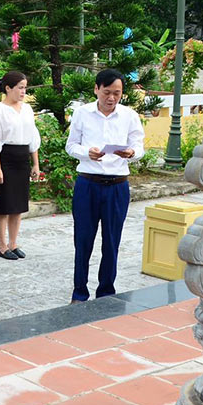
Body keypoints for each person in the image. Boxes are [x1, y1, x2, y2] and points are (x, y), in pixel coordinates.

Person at [65, 68, 144, 302]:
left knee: (112, 241)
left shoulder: (129, 116)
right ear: (96, 89)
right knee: (83, 240)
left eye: (117, 94)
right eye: (107, 92)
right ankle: (80, 292)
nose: (111, 98)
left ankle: (106, 293)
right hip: (88, 184)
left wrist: (131, 152)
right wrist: (87, 153)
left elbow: (139, 145)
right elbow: (71, 146)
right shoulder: (82, 113)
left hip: (117, 186)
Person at [0, 71, 42, 261]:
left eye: (25, 87)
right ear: (8, 88)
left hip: (22, 159)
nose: (23, 91)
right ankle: (1, 245)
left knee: (18, 204)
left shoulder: (26, 109)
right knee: (3, 205)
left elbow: (33, 138)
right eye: (20, 87)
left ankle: (13, 243)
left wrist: (35, 164)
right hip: (5, 158)